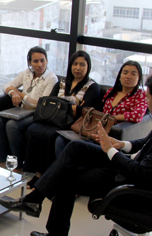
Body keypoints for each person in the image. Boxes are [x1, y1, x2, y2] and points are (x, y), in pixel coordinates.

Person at [0, 70, 152, 236]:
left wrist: (110, 150)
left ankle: (52, 230)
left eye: (148, 97)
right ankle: (34, 201)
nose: (146, 101)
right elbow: (147, 142)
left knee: (66, 177)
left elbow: (140, 174)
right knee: (76, 147)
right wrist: (121, 144)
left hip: (134, 183)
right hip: (134, 166)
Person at [22, 50, 102, 184]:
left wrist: (63, 104)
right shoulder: (62, 82)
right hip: (54, 119)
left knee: (49, 135)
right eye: (75, 64)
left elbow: (85, 110)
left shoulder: (92, 87)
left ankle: (47, 176)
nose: (78, 68)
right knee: (33, 129)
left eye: (82, 64)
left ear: (88, 67)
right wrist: (72, 106)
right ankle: (36, 172)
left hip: (72, 123)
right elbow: (49, 102)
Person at [52, 60, 148, 159]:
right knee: (61, 140)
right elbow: (98, 110)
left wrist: (112, 118)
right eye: (125, 73)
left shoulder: (141, 95)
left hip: (111, 135)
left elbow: (137, 115)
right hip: (95, 129)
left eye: (133, 74)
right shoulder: (111, 92)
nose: (128, 76)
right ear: (120, 76)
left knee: (76, 145)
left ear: (139, 78)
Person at [0, 46, 58, 166]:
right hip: (22, 110)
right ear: (30, 62)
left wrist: (20, 94)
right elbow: (7, 86)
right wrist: (13, 93)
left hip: (37, 113)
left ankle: (18, 164)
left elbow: (40, 104)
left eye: (42, 60)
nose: (40, 64)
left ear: (47, 61)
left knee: (12, 125)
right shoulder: (27, 73)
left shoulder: (51, 78)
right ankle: (2, 160)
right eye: (35, 61)